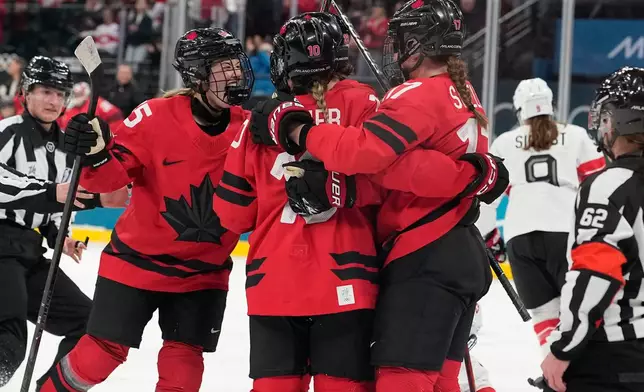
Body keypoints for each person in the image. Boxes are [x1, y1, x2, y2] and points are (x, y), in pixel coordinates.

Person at [247, 1, 509, 390]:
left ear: (419, 44)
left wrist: (301, 132)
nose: (397, 49)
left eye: (402, 39)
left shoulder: (417, 95)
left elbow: (366, 155)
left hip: (425, 254)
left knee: (403, 382)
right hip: (460, 254)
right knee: (443, 384)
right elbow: (420, 169)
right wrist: (474, 174)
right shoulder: (462, 90)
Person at [39, 27, 255, 392]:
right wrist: (94, 154)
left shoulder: (248, 127)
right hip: (135, 263)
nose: (235, 73)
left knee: (183, 368)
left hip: (203, 273)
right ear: (199, 74)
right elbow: (108, 183)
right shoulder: (154, 116)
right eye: (224, 65)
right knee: (99, 355)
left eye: (237, 63)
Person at [0, 56, 107, 390]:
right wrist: (49, 192)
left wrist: (63, 235)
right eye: (45, 91)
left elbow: (59, 205)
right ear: (26, 92)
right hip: (1, 248)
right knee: (11, 337)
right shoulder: (7, 132)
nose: (53, 101)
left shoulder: (66, 147)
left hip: (29, 253)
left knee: (89, 324)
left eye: (60, 94)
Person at [540, 66, 644, 391]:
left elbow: (596, 272)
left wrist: (563, 346)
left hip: (616, 357)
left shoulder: (608, 185)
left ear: (613, 122)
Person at [484, 78, 605, 355]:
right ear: (551, 106)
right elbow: (598, 185)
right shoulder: (575, 135)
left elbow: (489, 198)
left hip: (519, 238)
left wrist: (488, 236)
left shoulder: (504, 142)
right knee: (577, 311)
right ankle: (581, 374)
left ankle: (553, 375)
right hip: (566, 233)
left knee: (545, 317)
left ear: (518, 110)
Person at [59, 81, 124, 130]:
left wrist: (107, 134)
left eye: (79, 94)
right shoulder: (68, 107)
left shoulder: (98, 103)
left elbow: (116, 114)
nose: (77, 97)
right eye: (75, 94)